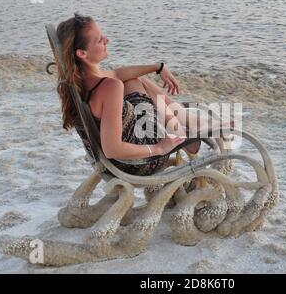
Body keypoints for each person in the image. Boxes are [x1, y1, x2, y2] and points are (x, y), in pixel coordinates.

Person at [55, 13, 209, 176]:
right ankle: (183, 127)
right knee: (132, 81)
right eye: (100, 40)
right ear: (82, 54)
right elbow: (112, 149)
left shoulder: (81, 80)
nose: (107, 40)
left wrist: (158, 67)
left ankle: (185, 122)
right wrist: (159, 148)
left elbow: (117, 73)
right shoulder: (109, 87)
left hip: (108, 163)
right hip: (139, 164)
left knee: (132, 79)